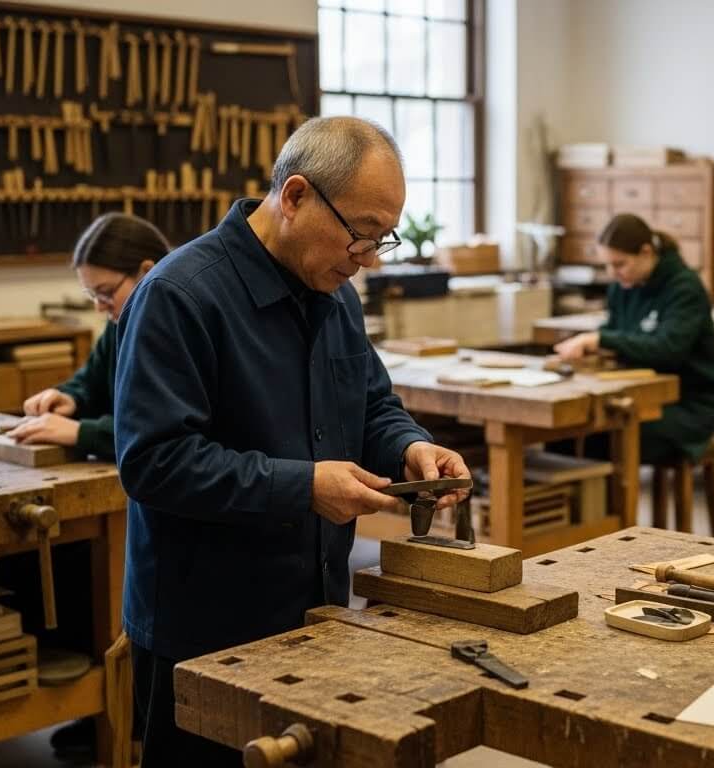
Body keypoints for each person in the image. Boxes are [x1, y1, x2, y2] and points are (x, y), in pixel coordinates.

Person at [114, 116, 471, 765]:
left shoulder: (334, 294)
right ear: (296, 195)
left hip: (316, 608)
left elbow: (369, 402)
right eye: (359, 235)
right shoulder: (180, 294)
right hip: (205, 630)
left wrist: (408, 445)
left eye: (380, 240)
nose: (365, 261)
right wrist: (302, 486)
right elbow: (153, 462)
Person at [0, 212, 168, 763]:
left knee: (75, 572)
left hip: (158, 504)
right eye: (90, 295)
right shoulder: (120, 321)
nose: (100, 308)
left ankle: (116, 714)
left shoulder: (169, 321)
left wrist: (80, 430)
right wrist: (63, 397)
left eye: (105, 293)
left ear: (148, 269)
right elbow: (90, 383)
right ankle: (93, 711)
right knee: (17, 568)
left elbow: (162, 428)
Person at [552, 213, 714, 465]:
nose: (613, 273)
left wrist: (601, 340)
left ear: (646, 252)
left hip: (686, 405)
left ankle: (612, 504)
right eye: (608, 265)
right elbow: (615, 334)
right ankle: (583, 503)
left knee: (605, 435)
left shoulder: (684, 287)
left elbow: (668, 349)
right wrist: (591, 351)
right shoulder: (622, 287)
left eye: (620, 264)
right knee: (564, 433)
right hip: (636, 392)